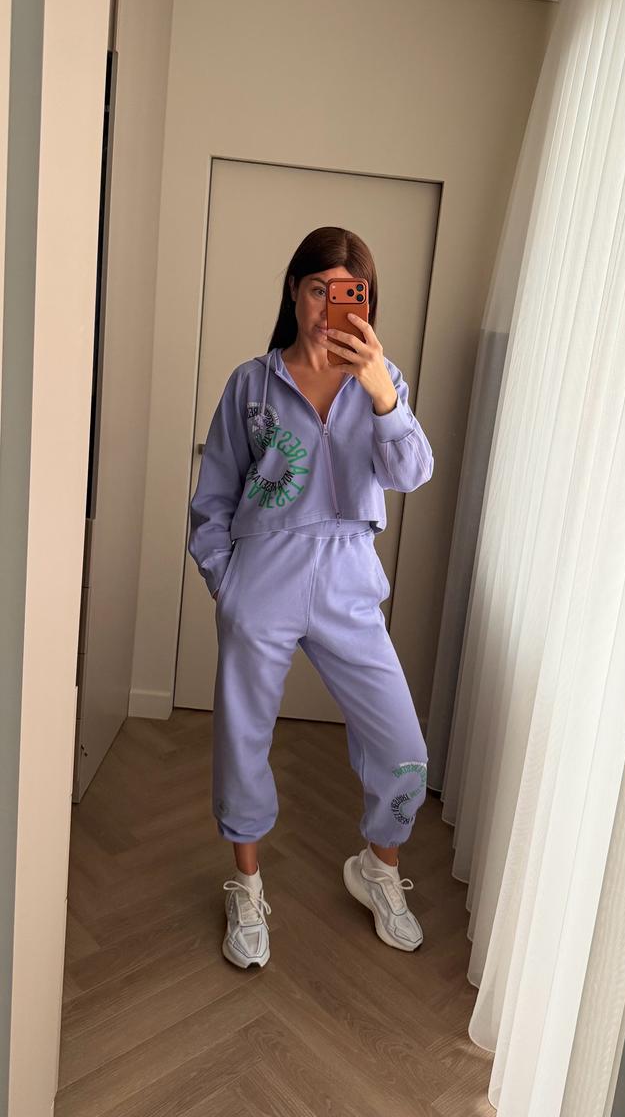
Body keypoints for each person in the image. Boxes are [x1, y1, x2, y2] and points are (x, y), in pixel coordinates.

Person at [188, 226, 434, 970]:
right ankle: (246, 884)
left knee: (401, 746)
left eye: (348, 292)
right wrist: (226, 580)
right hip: (263, 574)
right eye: (317, 288)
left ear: (368, 303)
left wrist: (381, 392)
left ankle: (378, 869)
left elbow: (411, 474)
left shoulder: (382, 380)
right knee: (243, 738)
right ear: (294, 293)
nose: (330, 305)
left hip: (348, 574)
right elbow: (214, 494)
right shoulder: (251, 384)